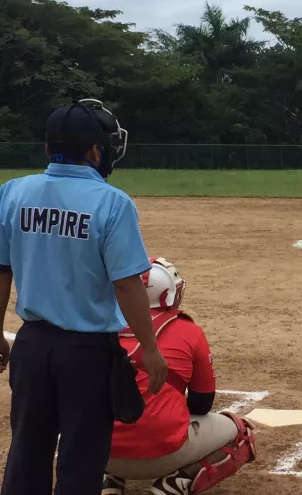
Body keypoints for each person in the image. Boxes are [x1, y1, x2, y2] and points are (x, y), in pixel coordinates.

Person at [0, 99, 168, 495]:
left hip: (32, 345)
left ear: (47, 149)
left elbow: (1, 271)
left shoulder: (12, 192)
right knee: (82, 457)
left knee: (26, 451)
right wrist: (149, 346)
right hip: (87, 352)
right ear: (96, 151)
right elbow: (126, 285)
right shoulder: (112, 201)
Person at [102, 257, 256, 495]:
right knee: (241, 432)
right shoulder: (187, 331)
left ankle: (107, 481)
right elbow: (201, 403)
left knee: (107, 409)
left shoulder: (99, 326)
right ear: (166, 294)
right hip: (164, 451)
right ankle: (175, 484)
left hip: (99, 451)